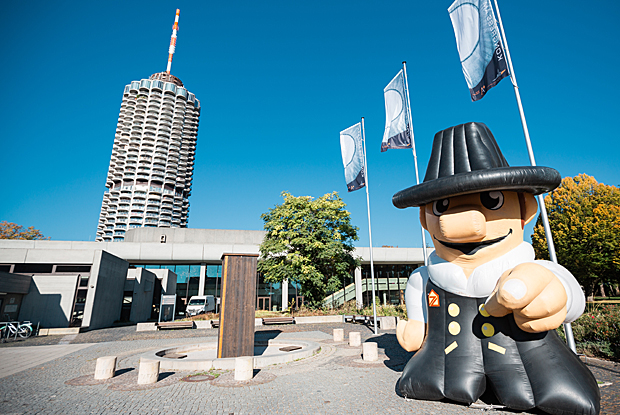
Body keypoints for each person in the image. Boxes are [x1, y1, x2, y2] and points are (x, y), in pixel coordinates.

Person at [393, 122, 599, 415]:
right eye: (441, 206)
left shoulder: (527, 267)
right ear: (425, 220)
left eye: (492, 200)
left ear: (526, 209)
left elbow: (561, 287)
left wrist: (557, 295)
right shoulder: (426, 278)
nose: (460, 225)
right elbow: (419, 306)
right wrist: (416, 327)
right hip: (442, 368)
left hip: (533, 371)